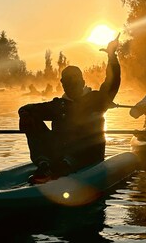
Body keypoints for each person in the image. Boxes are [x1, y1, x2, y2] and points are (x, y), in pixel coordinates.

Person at [18, 35, 121, 184]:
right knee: (30, 115)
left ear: (82, 82)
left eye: (75, 81)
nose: (71, 85)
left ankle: (65, 164)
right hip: (59, 155)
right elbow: (27, 108)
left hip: (88, 156)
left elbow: (112, 82)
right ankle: (44, 163)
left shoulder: (97, 100)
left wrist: (112, 56)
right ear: (62, 83)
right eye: (67, 82)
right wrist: (24, 113)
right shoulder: (57, 105)